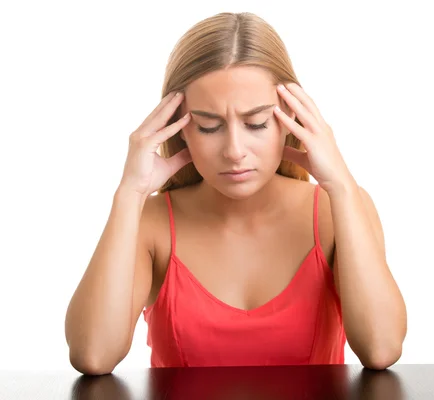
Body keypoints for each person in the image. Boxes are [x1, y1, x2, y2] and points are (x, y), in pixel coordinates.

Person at [64, 11, 407, 375]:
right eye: (209, 127)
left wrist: (340, 185)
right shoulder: (150, 223)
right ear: (178, 128)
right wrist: (129, 194)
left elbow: (381, 348)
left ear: (290, 115)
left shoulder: (339, 209)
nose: (234, 150)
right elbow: (92, 356)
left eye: (256, 123)